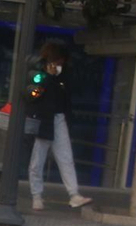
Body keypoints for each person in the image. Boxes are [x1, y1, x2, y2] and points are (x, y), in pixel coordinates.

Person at [27, 41, 91, 212]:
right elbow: (33, 94)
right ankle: (37, 195)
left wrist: (57, 77)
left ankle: (73, 194)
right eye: (58, 62)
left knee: (65, 157)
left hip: (58, 118)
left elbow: (68, 94)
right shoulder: (39, 74)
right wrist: (47, 77)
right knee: (37, 160)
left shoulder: (63, 77)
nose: (60, 66)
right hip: (44, 119)